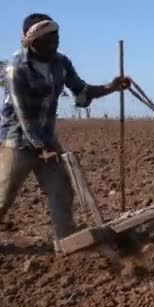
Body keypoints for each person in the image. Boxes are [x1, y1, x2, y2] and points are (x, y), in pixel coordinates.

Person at [0, 13, 131, 252]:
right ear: (32, 42)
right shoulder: (16, 67)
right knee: (3, 195)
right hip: (18, 141)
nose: (54, 43)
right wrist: (41, 148)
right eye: (48, 40)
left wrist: (111, 87)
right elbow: (24, 115)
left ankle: (68, 241)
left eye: (56, 38)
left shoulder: (61, 63)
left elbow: (82, 91)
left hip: (47, 140)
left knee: (62, 191)